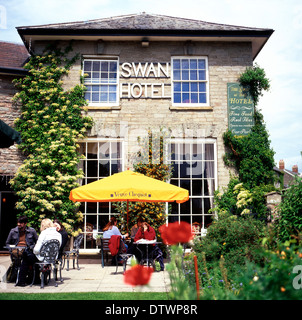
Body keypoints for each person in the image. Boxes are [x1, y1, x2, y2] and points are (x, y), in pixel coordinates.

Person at [16, 218, 62, 287]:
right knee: (30, 257)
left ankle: (21, 281)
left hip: (42, 257)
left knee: (26, 256)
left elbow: (37, 250)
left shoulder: (44, 233)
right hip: (52, 258)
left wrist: (35, 251)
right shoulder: (58, 234)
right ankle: (36, 279)